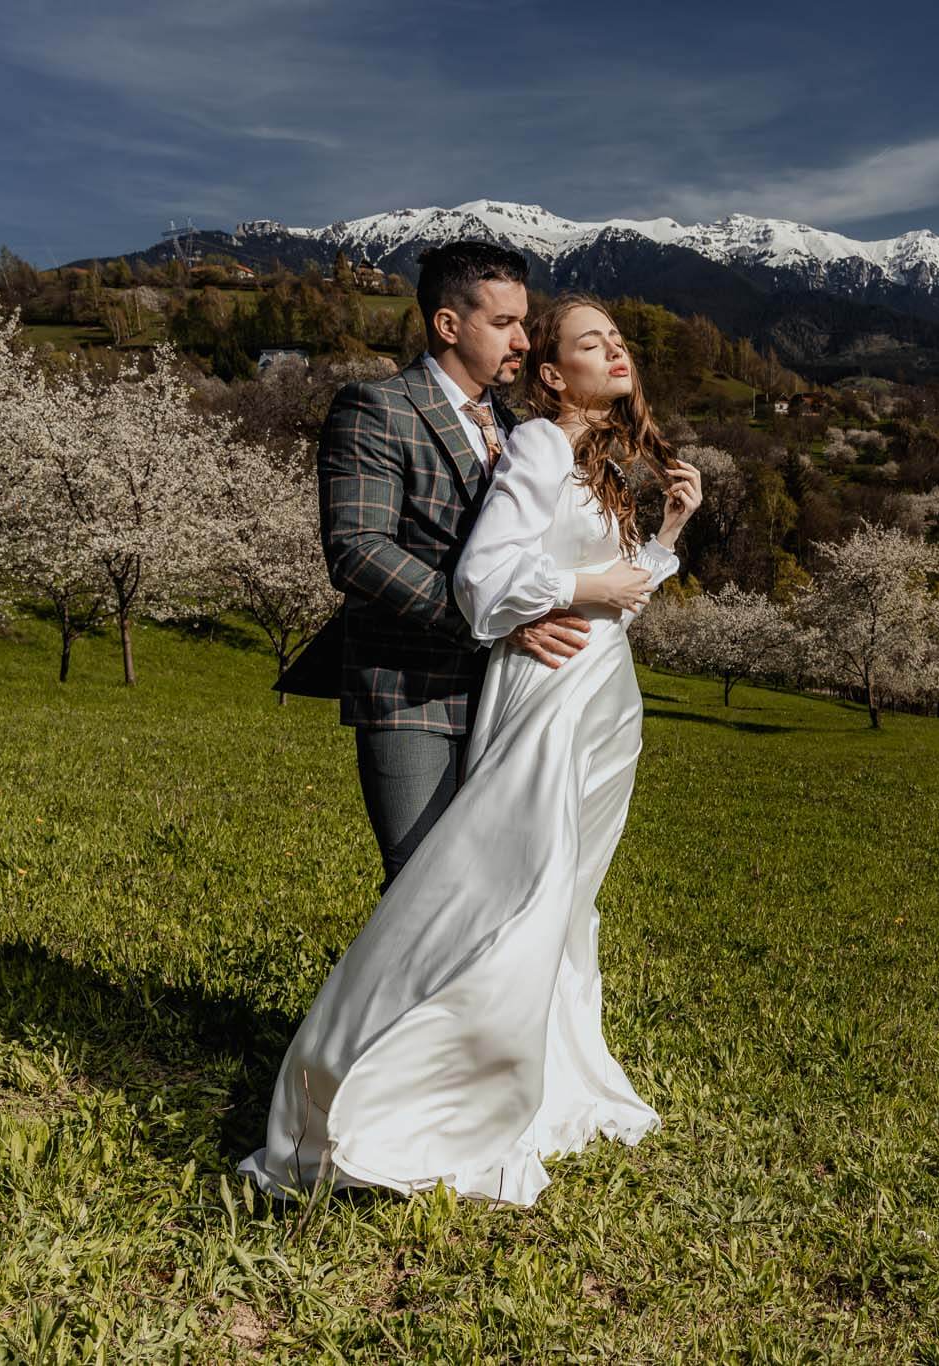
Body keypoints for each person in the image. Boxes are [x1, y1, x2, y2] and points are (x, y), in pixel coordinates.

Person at [239, 293, 703, 1205]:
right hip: (550, 697)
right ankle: (416, 1092)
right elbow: (486, 579)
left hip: (606, 701)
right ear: (550, 372)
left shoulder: (603, 461)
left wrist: (669, 535)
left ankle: (541, 1073)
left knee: (567, 898)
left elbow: (618, 593)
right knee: (509, 887)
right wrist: (575, 583)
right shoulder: (537, 443)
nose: (613, 352)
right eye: (588, 343)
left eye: (617, 340)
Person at [312, 241, 593, 891]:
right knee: (420, 890)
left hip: (509, 691)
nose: (523, 340)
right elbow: (357, 548)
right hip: (409, 688)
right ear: (447, 324)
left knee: (494, 886)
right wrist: (491, 622)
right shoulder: (377, 408)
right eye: (504, 324)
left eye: (523, 322)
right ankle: (390, 998)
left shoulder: (519, 426)